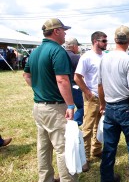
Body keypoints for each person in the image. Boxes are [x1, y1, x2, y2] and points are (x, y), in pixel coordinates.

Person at [23, 18, 78, 181]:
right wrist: (70, 104)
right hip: (55, 107)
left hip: (39, 106)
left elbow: (26, 75)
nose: (65, 33)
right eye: (63, 30)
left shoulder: (35, 51)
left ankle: (45, 178)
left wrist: (40, 89)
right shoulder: (57, 51)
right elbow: (62, 80)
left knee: (43, 147)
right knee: (63, 148)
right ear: (56, 31)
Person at [98, 25, 129, 182]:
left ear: (115, 39)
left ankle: (106, 178)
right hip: (126, 108)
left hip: (110, 107)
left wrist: (102, 104)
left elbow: (100, 85)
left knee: (109, 148)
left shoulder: (104, 58)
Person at [74, 31, 107, 167]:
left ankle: (96, 150)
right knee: (87, 128)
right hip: (92, 98)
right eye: (103, 41)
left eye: (106, 41)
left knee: (99, 126)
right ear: (95, 41)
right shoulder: (86, 57)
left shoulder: (105, 56)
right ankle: (84, 158)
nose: (106, 43)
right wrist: (88, 92)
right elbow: (77, 77)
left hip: (104, 98)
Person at [65, 37, 84, 126]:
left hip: (62, 86)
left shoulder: (60, 55)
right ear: (73, 46)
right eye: (77, 46)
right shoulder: (76, 57)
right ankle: (75, 124)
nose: (78, 48)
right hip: (74, 86)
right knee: (81, 107)